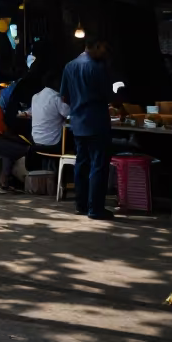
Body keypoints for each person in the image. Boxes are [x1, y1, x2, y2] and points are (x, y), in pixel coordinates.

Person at [60, 39, 115, 219]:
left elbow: (64, 97)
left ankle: (80, 204)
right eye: (105, 49)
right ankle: (95, 208)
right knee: (98, 165)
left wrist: (78, 105)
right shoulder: (98, 68)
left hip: (77, 123)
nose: (106, 54)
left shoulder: (69, 66)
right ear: (97, 46)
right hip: (97, 122)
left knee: (81, 164)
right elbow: (107, 95)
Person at [29, 72, 71, 168]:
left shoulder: (35, 97)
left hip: (36, 141)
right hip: (52, 143)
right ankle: (67, 174)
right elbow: (69, 113)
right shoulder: (56, 97)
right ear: (55, 83)